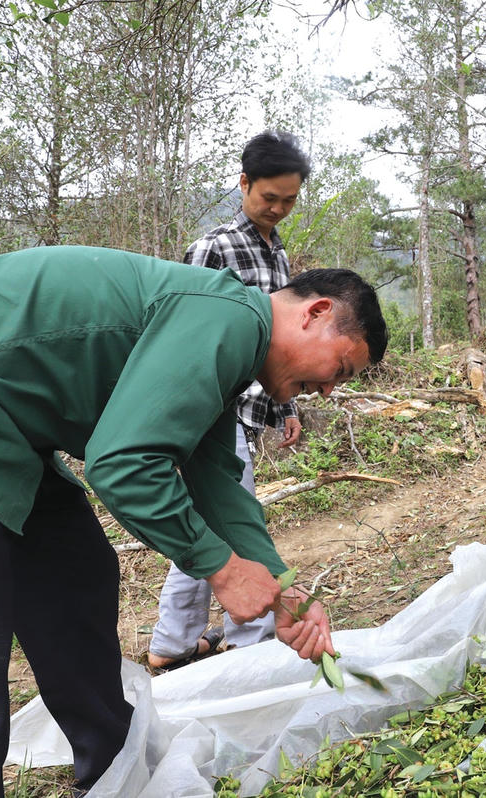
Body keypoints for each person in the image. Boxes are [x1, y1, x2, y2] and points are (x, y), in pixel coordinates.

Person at [0, 246, 388, 797]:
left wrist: (281, 587)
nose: (330, 389)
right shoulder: (230, 316)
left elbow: (213, 477)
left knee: (74, 573)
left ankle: (116, 771)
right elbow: (125, 466)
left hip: (2, 422)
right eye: (339, 367)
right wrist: (219, 567)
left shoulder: (228, 344)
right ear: (314, 313)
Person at [147, 130, 309, 670]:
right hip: (214, 411)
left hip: (251, 409)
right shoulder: (213, 247)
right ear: (244, 184)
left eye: (289, 200)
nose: (279, 209)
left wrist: (286, 407)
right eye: (270, 198)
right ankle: (250, 643)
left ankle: (173, 643)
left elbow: (282, 341)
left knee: (209, 522)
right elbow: (181, 334)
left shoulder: (277, 251)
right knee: (233, 522)